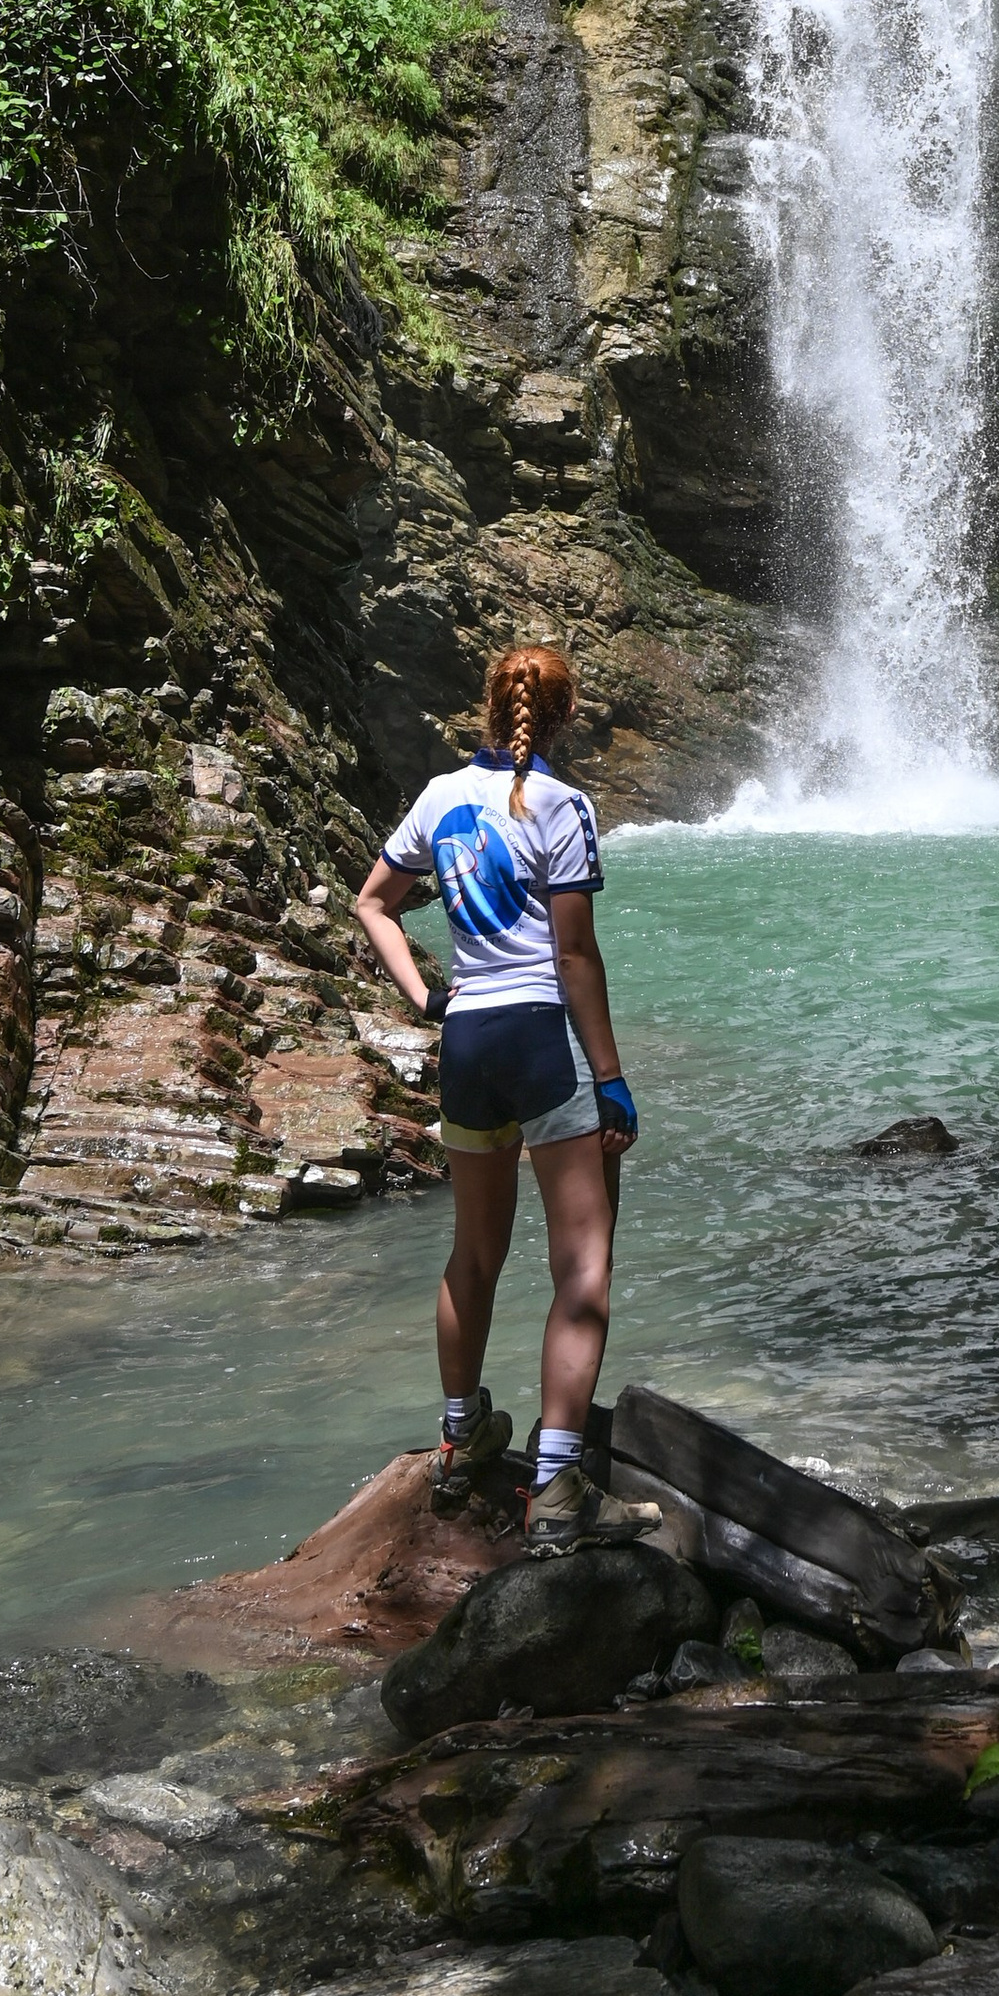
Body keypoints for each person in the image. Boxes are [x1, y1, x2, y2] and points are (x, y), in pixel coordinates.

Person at [354, 640, 641, 1553]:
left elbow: (374, 903)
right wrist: (609, 1077)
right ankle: (557, 1488)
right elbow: (575, 957)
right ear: (561, 715)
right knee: (583, 1262)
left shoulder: (439, 798)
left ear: (489, 706)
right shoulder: (564, 806)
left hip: (466, 1039)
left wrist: (425, 998)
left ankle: (461, 1432)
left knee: (472, 1255)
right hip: (538, 1041)